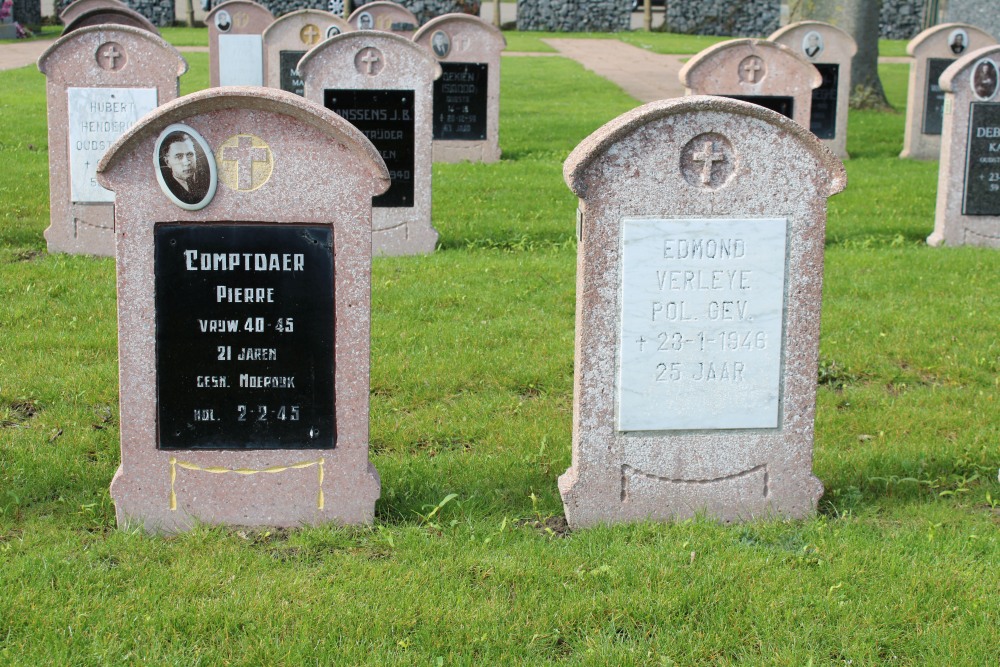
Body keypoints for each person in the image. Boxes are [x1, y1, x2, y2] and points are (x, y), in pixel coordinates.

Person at [159, 132, 208, 205]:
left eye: (190, 154)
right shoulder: (165, 186)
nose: (187, 162)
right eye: (179, 156)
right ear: (167, 162)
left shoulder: (208, 176)